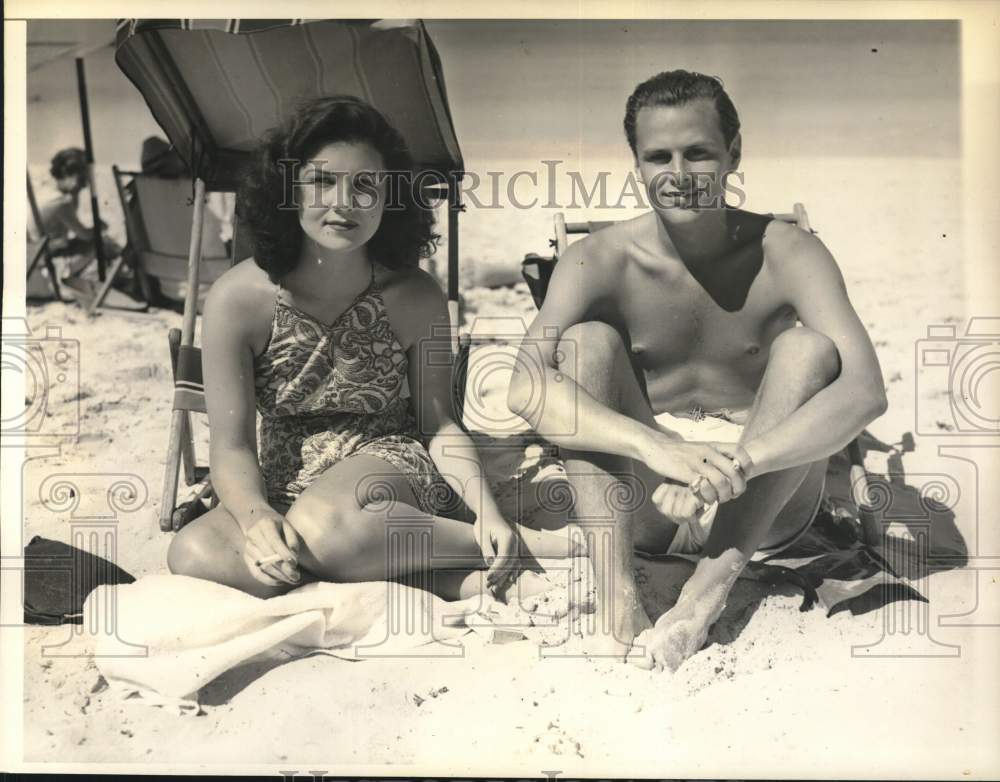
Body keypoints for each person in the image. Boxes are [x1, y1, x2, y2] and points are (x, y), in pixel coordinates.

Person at [507, 70, 887, 669]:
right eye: (659, 157)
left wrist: (738, 463)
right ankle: (619, 602)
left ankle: (700, 600)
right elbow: (523, 385)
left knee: (808, 351)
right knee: (584, 345)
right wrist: (657, 446)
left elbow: (866, 392)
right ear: (637, 164)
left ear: (734, 154)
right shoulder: (598, 259)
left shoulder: (787, 252)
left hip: (764, 502)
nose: (679, 177)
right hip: (643, 500)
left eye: (699, 153)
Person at [168, 96, 580, 600]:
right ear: (287, 190)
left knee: (321, 528)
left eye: (365, 185)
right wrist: (255, 518)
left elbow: (439, 424)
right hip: (282, 476)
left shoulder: (414, 296)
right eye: (322, 181)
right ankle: (415, 573)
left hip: (389, 461)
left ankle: (494, 544)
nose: (343, 202)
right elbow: (231, 445)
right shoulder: (237, 299)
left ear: (390, 201)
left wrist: (487, 510)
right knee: (192, 554)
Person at [31, 147, 120, 276]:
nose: (84, 185)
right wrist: (100, 226)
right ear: (72, 176)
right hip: (44, 265)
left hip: (34, 257)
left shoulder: (44, 192)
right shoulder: (60, 202)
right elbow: (85, 235)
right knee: (99, 242)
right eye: (83, 180)